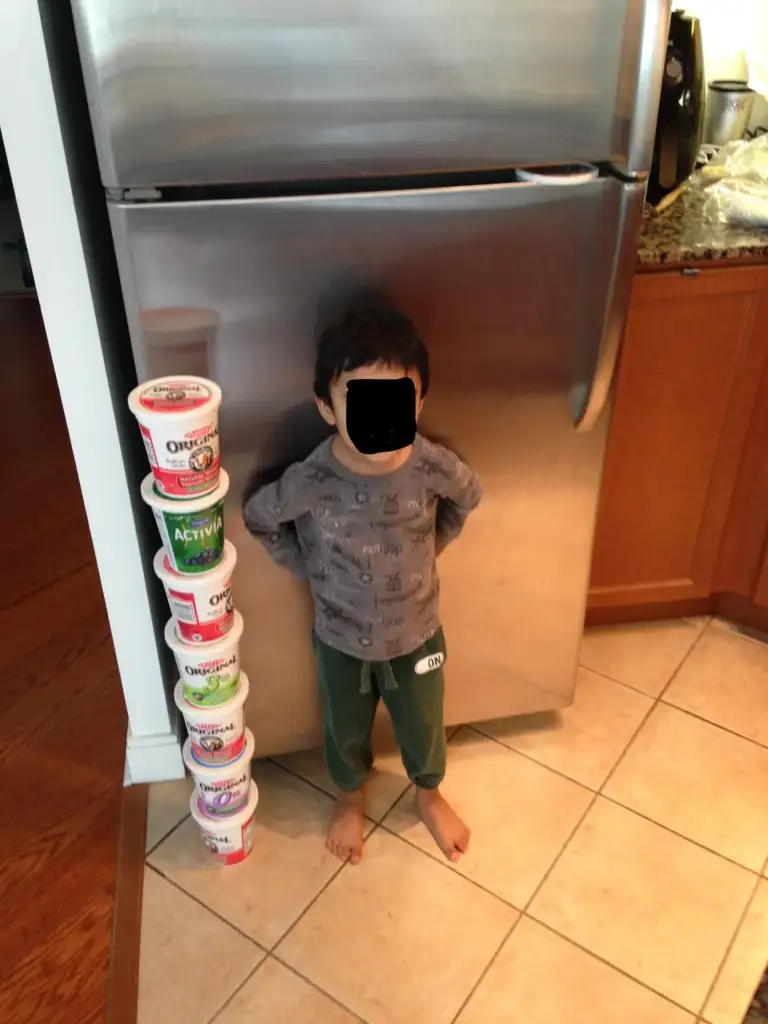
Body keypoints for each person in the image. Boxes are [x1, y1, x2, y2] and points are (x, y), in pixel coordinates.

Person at [243, 302, 482, 865]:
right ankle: (348, 799)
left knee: (424, 724)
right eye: (361, 399)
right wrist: (308, 567)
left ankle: (428, 794)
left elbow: (468, 498)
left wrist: (435, 545)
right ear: (327, 407)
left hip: (419, 634)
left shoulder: (429, 464)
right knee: (343, 728)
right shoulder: (313, 477)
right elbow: (260, 516)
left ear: (419, 401)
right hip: (340, 639)